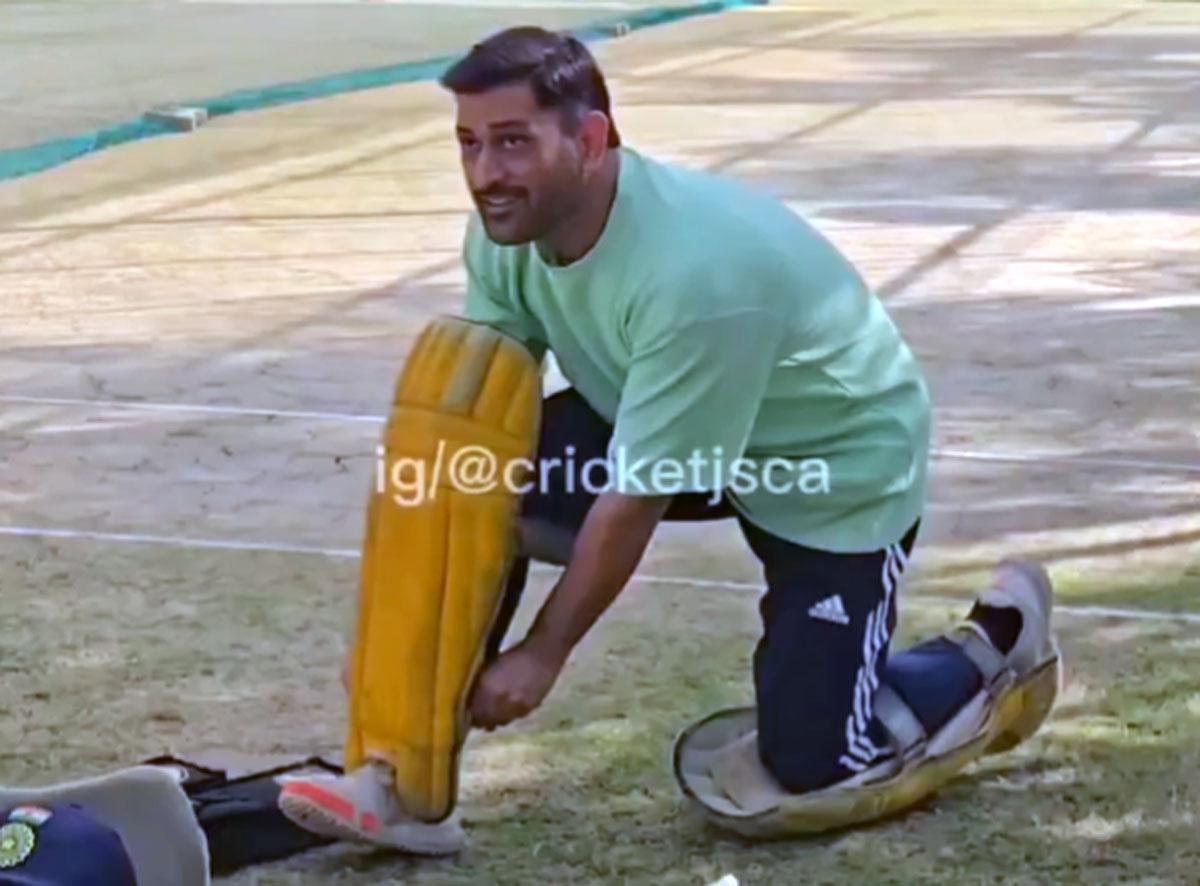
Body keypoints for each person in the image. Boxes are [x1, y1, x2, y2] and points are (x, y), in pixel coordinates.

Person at [279, 26, 1058, 848]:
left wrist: (543, 652)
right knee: (478, 479)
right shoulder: (509, 232)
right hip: (667, 410)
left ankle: (993, 646)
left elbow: (633, 502)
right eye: (468, 144)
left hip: (829, 464)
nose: (485, 175)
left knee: (815, 763)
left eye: (512, 143)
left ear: (589, 140)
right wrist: (393, 654)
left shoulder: (694, 279)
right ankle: (403, 786)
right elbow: (470, 444)